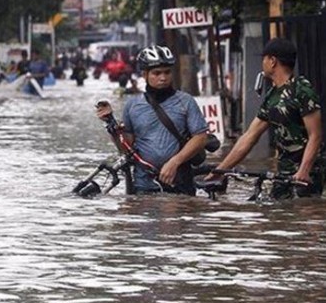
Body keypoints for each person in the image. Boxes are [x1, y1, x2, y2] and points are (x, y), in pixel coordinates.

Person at [206, 38, 324, 198]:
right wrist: (220, 170)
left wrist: (304, 170)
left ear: (272, 61)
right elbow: (249, 137)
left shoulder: (301, 89)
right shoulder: (272, 96)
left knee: (306, 213)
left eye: (264, 58)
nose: (263, 63)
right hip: (284, 174)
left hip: (308, 175)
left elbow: (315, 135)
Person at [95, 45, 208, 195]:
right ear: (144, 74)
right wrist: (110, 123)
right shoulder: (132, 106)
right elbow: (125, 149)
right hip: (144, 184)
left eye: (167, 72)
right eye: (157, 73)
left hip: (179, 182)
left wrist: (175, 162)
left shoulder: (186, 102)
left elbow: (200, 138)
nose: (163, 77)